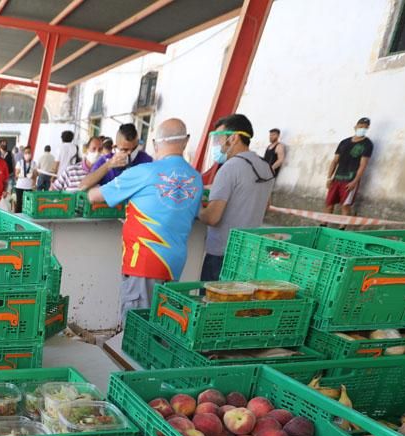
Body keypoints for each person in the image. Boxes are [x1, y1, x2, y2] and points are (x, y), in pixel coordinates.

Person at [87, 118, 202, 329]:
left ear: (156, 143)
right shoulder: (195, 178)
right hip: (174, 263)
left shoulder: (144, 172)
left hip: (145, 261)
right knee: (162, 322)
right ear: (185, 142)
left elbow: (94, 196)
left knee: (137, 328)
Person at [198, 114, 275, 281]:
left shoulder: (229, 168)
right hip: (248, 254)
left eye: (219, 138)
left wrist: (196, 206)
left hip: (221, 255)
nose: (217, 145)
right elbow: (265, 205)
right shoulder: (266, 168)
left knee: (212, 305)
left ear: (233, 138)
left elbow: (212, 217)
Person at [79, 123, 153, 191]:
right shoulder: (105, 161)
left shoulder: (146, 160)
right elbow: (83, 186)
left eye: (134, 148)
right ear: (115, 147)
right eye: (125, 149)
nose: (130, 153)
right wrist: (108, 165)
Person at [325, 117, 373, 217]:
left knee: (345, 205)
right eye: (360, 126)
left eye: (365, 127)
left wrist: (354, 181)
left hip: (349, 180)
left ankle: (342, 230)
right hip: (337, 178)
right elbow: (335, 161)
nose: (362, 128)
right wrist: (329, 178)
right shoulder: (344, 142)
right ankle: (323, 226)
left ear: (368, 128)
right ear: (355, 127)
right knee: (329, 204)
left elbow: (363, 165)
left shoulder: (367, 144)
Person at [13, 146, 37, 212]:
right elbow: (16, 174)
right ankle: (17, 219)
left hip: (29, 187)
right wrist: (24, 175)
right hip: (20, 186)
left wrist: (34, 185)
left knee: (28, 204)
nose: (27, 154)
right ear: (23, 154)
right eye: (26, 153)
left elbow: (35, 175)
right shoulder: (19, 162)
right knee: (19, 204)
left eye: (29, 152)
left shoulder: (34, 163)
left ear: (31, 153)